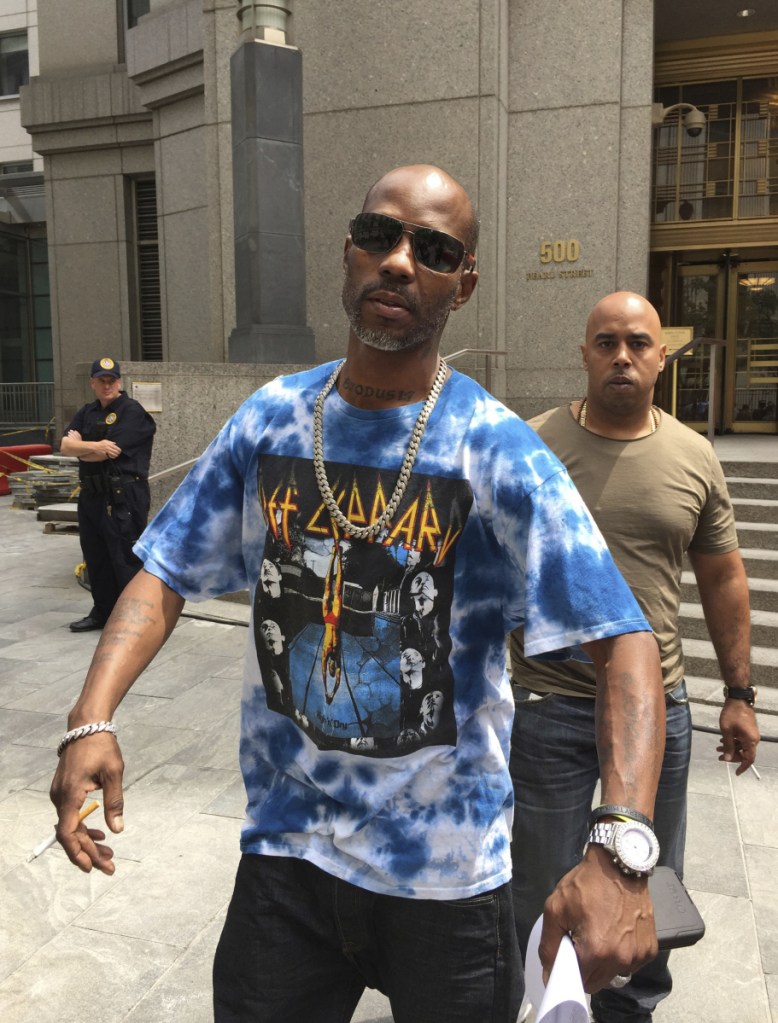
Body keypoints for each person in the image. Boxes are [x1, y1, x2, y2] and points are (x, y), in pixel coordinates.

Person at [50, 167, 666, 1023]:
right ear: (348, 250)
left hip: (446, 879)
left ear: (466, 281)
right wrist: (93, 714)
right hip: (287, 859)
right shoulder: (270, 418)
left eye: (435, 250)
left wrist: (621, 846)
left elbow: (623, 641)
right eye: (380, 236)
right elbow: (163, 576)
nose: (401, 262)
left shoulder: (497, 450)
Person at [509, 291, 759, 1023]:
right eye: (607, 341)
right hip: (548, 702)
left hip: (661, 713)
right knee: (539, 878)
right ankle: (547, 999)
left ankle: (630, 1007)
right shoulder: (533, 444)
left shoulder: (692, 455)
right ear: (584, 354)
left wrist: (739, 691)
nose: (623, 355)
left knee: (644, 868)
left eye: (639, 343)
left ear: (661, 357)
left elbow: (723, 576)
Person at [60, 357, 156, 632]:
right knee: (96, 556)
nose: (107, 385)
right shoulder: (87, 412)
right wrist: (96, 446)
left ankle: (131, 619)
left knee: (125, 557)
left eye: (111, 380)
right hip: (92, 496)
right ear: (92, 383)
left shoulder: (132, 411)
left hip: (122, 498)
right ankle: (103, 612)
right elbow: (66, 447)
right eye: (101, 380)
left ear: (120, 382)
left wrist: (86, 448)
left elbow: (109, 452)